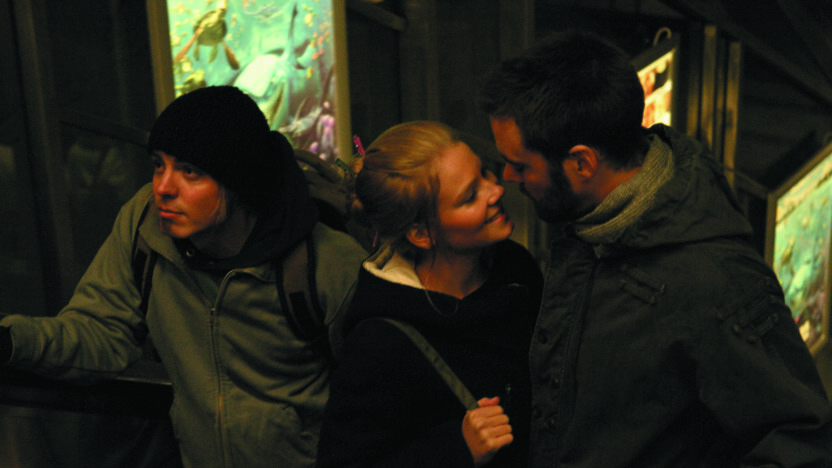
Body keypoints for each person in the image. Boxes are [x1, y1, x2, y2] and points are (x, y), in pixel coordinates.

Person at [479, 30, 832, 466]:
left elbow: (801, 442)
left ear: (582, 162)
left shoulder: (716, 281)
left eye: (520, 165)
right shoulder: (594, 221)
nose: (508, 178)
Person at [0, 86, 367, 468]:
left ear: (239, 182)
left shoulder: (326, 264)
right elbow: (101, 332)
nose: (163, 188)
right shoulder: (145, 227)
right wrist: (11, 340)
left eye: (190, 172)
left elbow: (375, 402)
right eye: (159, 165)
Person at [315, 121, 543, 467]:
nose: (496, 190)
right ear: (421, 234)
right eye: (470, 196)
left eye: (484, 173)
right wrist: (456, 449)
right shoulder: (380, 341)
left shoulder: (514, 267)